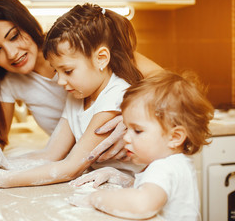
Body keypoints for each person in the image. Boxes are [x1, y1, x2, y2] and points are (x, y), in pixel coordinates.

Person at [0, 3, 152, 189]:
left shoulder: (113, 96)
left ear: (101, 59)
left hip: (146, 181)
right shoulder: (77, 93)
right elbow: (50, 154)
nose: (59, 81)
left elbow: (70, 168)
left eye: (67, 71)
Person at [70, 70, 214, 220]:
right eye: (127, 128)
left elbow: (142, 205)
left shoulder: (163, 168)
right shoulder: (175, 163)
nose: (126, 137)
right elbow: (150, 190)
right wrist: (115, 175)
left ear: (175, 137)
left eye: (137, 131)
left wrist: (96, 198)